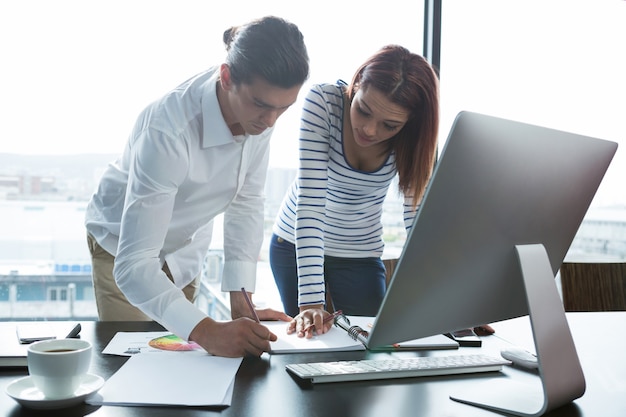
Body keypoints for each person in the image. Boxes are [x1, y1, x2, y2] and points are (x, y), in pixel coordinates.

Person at [84, 16, 309, 357]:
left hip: (186, 248)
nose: (270, 121)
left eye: (283, 108)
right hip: (122, 246)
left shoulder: (261, 109)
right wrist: (205, 330)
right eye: (263, 106)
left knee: (180, 365)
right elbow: (134, 265)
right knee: (131, 365)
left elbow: (246, 201)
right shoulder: (168, 130)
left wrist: (241, 297)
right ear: (227, 77)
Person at [269, 45, 439, 337]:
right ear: (356, 84)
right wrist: (310, 301)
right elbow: (310, 204)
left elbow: (417, 218)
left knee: (370, 346)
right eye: (363, 110)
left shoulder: (414, 138)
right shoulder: (323, 102)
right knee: (308, 342)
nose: (371, 131)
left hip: (360, 252)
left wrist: (445, 304)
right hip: (295, 246)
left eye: (390, 125)